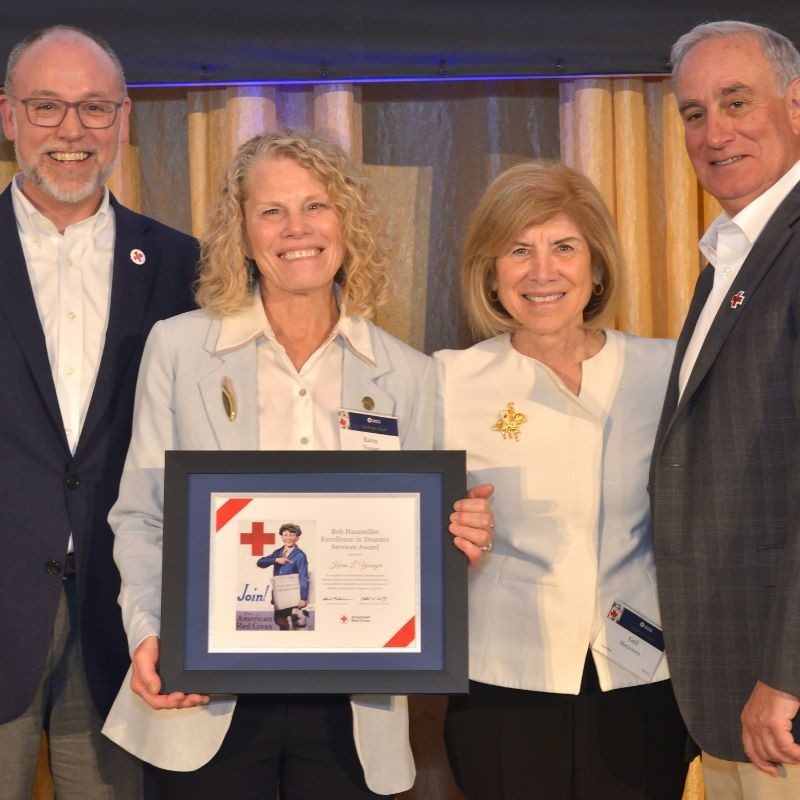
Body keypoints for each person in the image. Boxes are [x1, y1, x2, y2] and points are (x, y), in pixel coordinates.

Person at [102, 129, 493, 800]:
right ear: (242, 230)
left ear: (347, 220)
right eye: (271, 211)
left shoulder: (409, 374)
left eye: (316, 206)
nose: (296, 230)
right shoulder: (178, 348)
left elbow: (419, 549)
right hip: (205, 699)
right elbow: (141, 516)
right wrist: (150, 630)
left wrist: (459, 540)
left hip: (354, 710)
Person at [435, 161, 688, 799]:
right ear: (490, 274)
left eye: (564, 248)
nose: (542, 271)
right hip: (502, 687)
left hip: (641, 679)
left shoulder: (665, 371)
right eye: (518, 250)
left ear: (597, 266)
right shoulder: (444, 382)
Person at [0, 25, 198, 799]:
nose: (72, 132)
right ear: (9, 115)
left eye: (93, 108)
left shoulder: (185, 266)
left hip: (123, 622)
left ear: (124, 118)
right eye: (47, 107)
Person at [650, 20, 800, 798]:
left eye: (736, 102)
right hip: (730, 686)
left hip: (780, 705)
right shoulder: (735, 253)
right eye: (694, 112)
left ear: (797, 103)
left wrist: (788, 674)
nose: (715, 132)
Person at [257, 522, 310, 630]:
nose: (288, 538)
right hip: (278, 597)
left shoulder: (300, 555)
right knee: (280, 623)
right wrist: (275, 560)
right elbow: (260, 562)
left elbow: (303, 577)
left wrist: (303, 598)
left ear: (297, 538)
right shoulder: (278, 552)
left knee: (295, 626)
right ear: (281, 537)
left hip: (293, 598)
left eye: (292, 535)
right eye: (285, 535)